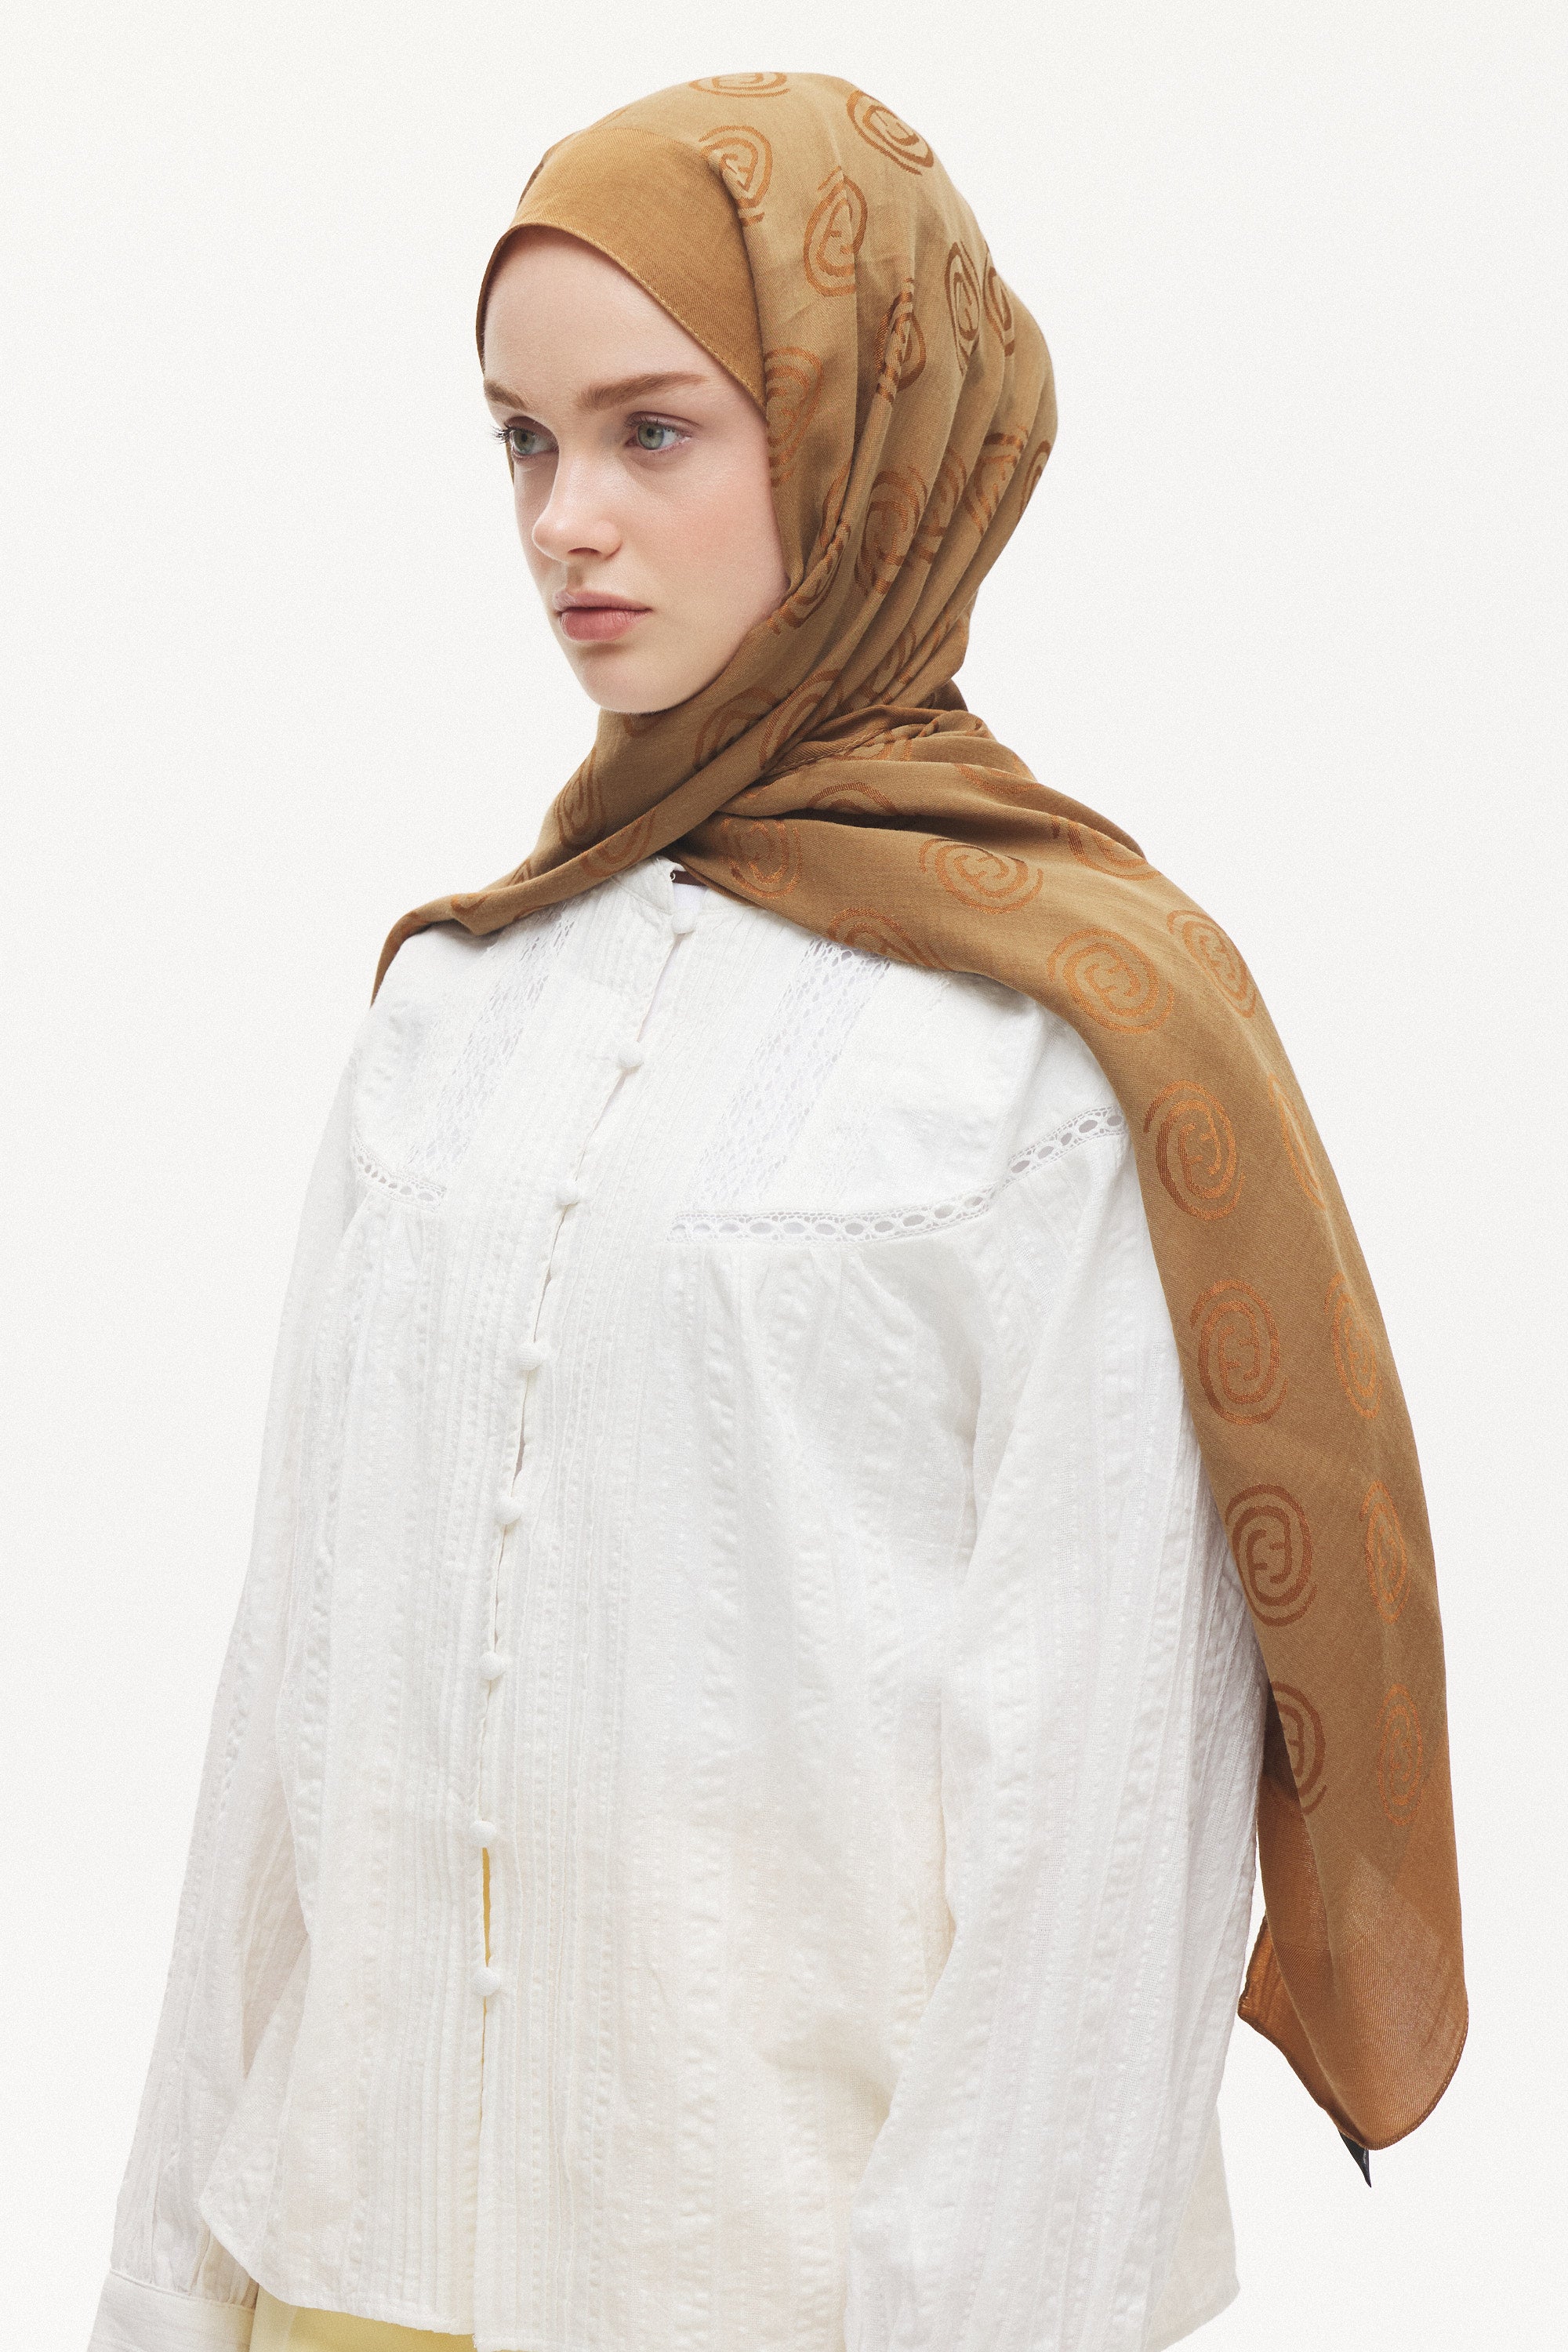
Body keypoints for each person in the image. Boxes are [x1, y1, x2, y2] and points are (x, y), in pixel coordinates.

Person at [87, 71, 1464, 2352]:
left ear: (866, 431)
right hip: (342, 2282)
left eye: (654, 432)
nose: (568, 522)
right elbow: (287, 1712)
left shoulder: (1062, 1051)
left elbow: (1099, 1832)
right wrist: (164, 2291)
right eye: (521, 442)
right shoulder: (450, 1013)